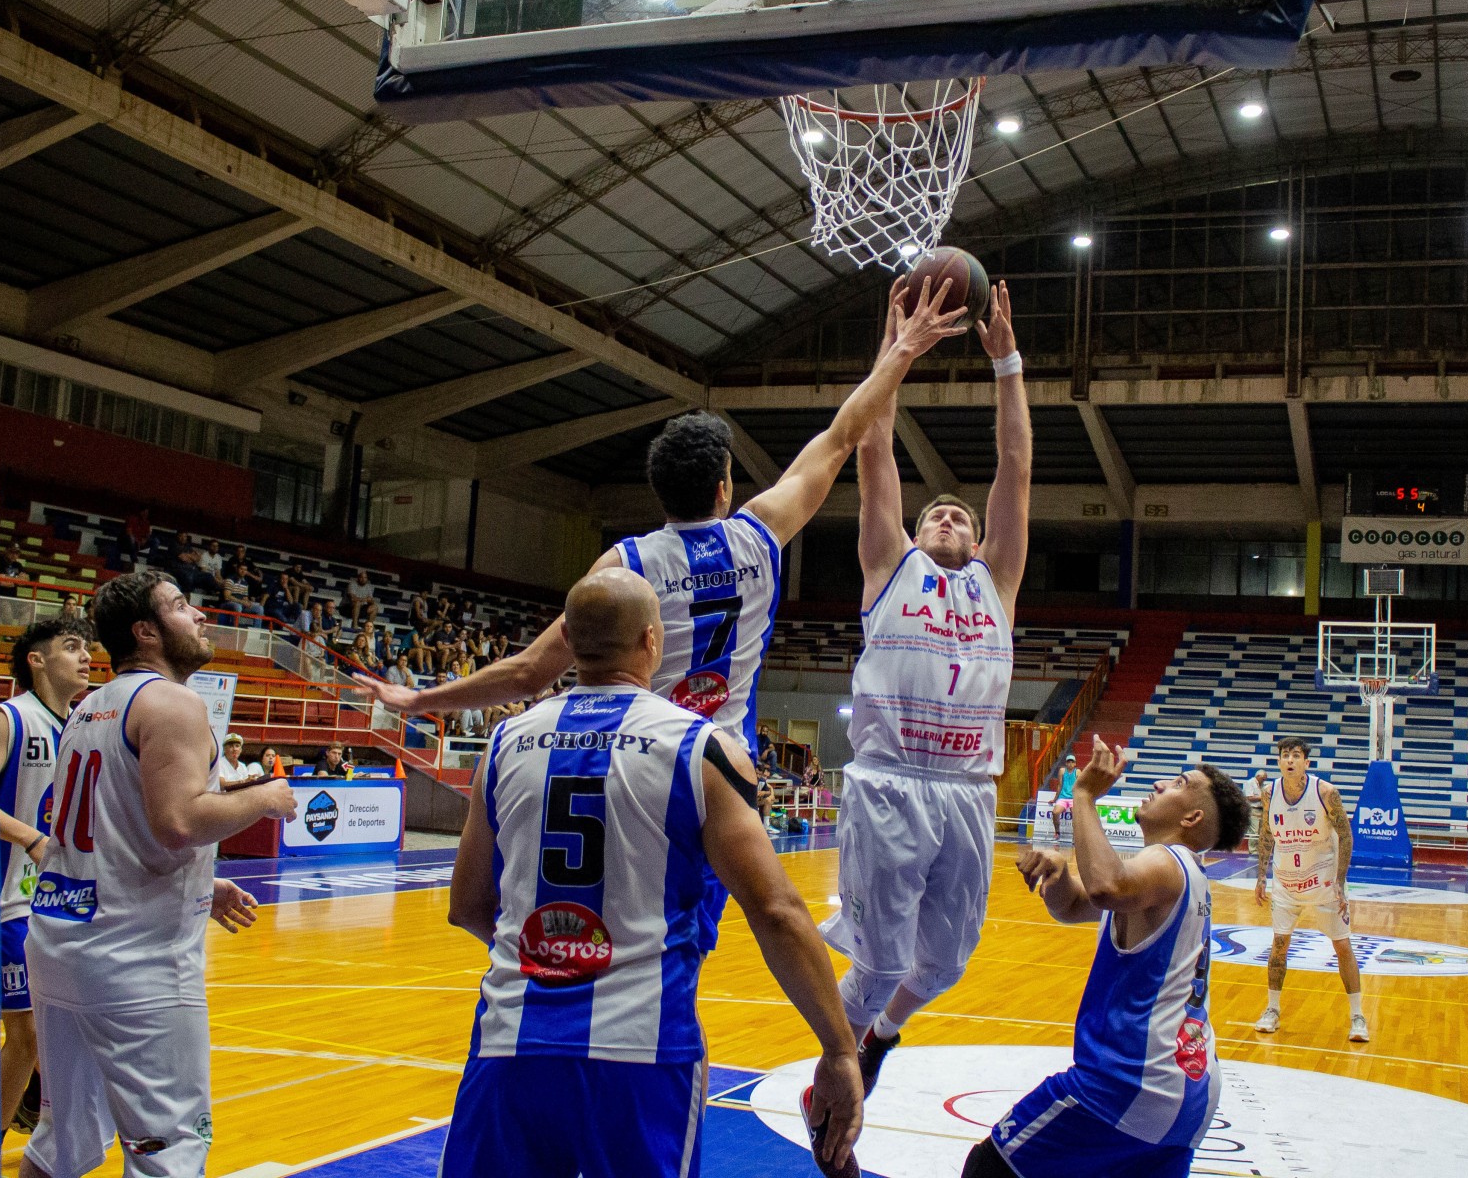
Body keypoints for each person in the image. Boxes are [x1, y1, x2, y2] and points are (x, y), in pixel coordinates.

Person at [355, 281, 967, 947]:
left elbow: (530, 672)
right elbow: (844, 433)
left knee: (619, 932)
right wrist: (900, 349)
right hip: (722, 768)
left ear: (658, 490)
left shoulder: (624, 567)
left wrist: (420, 700)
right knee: (687, 943)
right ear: (724, 487)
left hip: (636, 761)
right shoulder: (759, 534)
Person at [439, 569, 862, 1177]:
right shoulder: (700, 747)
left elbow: (466, 905)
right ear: (651, 641)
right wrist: (840, 1050)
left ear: (569, 640)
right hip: (643, 1050)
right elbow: (775, 911)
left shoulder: (506, 743)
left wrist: (558, 957)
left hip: (511, 1045)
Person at [819, 278, 1028, 1092]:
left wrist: (1006, 363)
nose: (947, 519)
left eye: (960, 517)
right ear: (911, 530)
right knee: (876, 966)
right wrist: (896, 345)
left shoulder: (996, 582)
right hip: (889, 783)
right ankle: (835, 1075)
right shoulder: (889, 564)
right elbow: (874, 443)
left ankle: (877, 1039)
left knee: (943, 967)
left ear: (978, 540)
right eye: (935, 514)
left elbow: (1015, 467)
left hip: (968, 791)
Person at [20, 572, 297, 1178]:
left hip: (62, 941)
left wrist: (201, 884)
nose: (199, 615)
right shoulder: (171, 701)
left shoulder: (90, 706)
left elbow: (112, 824)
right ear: (146, 632)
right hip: (133, 961)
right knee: (170, 1153)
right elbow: (178, 822)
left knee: (61, 1144)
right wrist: (267, 797)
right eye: (179, 606)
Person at [964, 739, 1251, 1178]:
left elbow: (1105, 887)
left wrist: (1083, 795)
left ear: (1191, 818)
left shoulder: (1168, 862)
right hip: (1187, 1093)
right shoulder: (1182, 874)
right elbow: (1076, 904)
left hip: (1128, 1085)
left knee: (991, 1167)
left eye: (1179, 783)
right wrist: (1059, 875)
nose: (1160, 783)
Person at [0, 617, 94, 1136]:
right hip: (3, 902)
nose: (86, 656)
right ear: (36, 660)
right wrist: (31, 838)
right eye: (71, 647)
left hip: (50, 904)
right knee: (28, 1034)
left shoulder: (80, 729)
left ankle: (24, 1107)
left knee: (42, 1032)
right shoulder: (10, 718)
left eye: (87, 647)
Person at [1253, 736, 1367, 1042]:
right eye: (1284, 755)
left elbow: (1346, 835)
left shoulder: (1326, 792)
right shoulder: (1269, 793)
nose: (1289, 760)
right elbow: (1266, 833)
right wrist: (1261, 876)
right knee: (1279, 944)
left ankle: (1357, 1016)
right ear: (1279, 761)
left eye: (1295, 755)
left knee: (1342, 946)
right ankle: (1272, 1010)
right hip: (1286, 882)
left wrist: (1340, 881)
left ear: (1306, 762)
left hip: (1324, 882)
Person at [1052, 753, 1080, 844]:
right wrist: (1055, 799)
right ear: (1066, 763)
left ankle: (1075, 836)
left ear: (1075, 764)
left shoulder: (1078, 772)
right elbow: (1059, 785)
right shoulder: (1062, 771)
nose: (1070, 764)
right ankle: (1057, 832)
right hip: (1063, 797)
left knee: (1075, 815)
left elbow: (1080, 786)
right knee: (1055, 812)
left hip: (1073, 798)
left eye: (1072, 762)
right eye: (1068, 762)